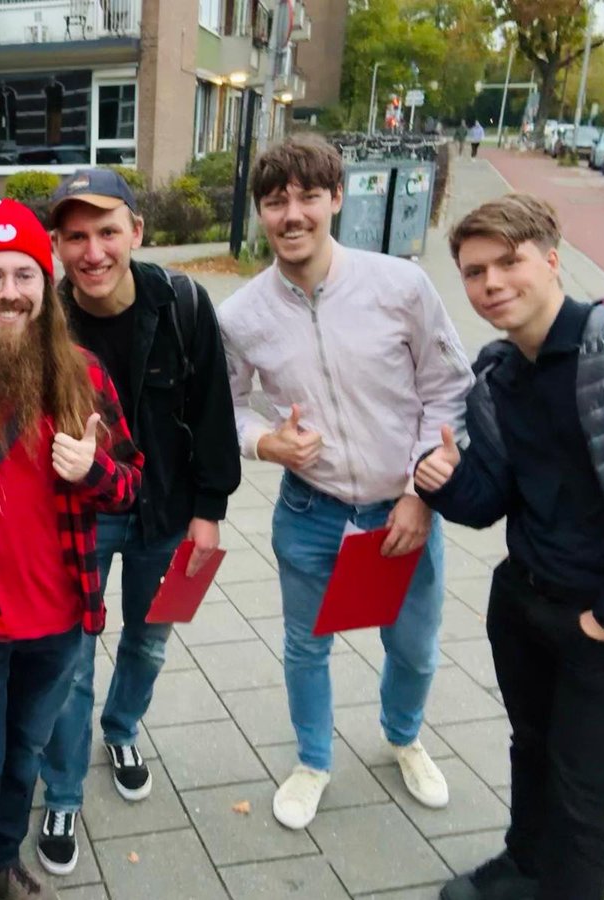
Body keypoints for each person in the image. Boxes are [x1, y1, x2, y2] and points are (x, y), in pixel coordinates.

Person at [217, 134, 474, 831]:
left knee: (415, 647)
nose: (291, 214)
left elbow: (448, 388)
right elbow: (226, 405)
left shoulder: (400, 286)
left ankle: (403, 736)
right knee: (307, 646)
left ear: (335, 197)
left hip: (403, 508)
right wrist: (265, 442)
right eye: (275, 202)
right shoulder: (241, 315)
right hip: (311, 510)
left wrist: (423, 494)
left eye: (307, 196)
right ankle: (313, 760)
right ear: (261, 213)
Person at [0, 199, 143, 900]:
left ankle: (1, 862)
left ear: (46, 289)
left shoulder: (83, 375)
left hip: (61, 625)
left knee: (23, 764)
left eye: (24, 276)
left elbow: (133, 487)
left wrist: (94, 470)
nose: (9, 292)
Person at [36, 168, 241, 875]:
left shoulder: (181, 301)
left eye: (106, 232)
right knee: (70, 664)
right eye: (75, 237)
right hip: (79, 520)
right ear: (58, 245)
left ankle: (122, 731)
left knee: (149, 645)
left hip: (167, 514)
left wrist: (209, 514)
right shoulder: (42, 318)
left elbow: (214, 409)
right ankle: (62, 791)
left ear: (137, 233)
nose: (92, 252)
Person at [416, 194, 604, 900]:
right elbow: (488, 501)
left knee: (585, 789)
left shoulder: (600, 350)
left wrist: (602, 619)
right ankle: (523, 865)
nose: (490, 283)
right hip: (525, 601)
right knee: (530, 748)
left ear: (551, 260)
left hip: (595, 620)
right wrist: (437, 481)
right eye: (473, 271)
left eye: (508, 263)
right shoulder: (498, 376)